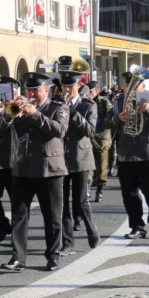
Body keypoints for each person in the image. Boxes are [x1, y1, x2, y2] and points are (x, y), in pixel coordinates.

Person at [0, 72, 69, 272]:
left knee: (52, 216)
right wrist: (8, 112)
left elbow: (59, 131)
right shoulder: (19, 108)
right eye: (28, 89)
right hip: (22, 169)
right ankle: (18, 257)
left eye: (35, 89)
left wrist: (35, 114)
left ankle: (53, 256)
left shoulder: (58, 108)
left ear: (46, 89)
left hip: (49, 170)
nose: (31, 93)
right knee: (19, 215)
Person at [58, 69, 100, 254]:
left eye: (70, 86)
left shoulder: (88, 105)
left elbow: (90, 131)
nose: (67, 89)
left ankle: (91, 229)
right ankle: (68, 243)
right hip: (60, 159)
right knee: (62, 203)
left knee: (80, 201)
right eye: (64, 86)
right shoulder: (56, 103)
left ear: (78, 86)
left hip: (81, 158)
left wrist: (72, 112)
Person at [0, 76, 21, 245]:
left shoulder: (19, 107)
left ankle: (17, 234)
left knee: (16, 202)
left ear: (15, 92)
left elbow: (15, 127)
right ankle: (3, 226)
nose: (5, 97)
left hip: (13, 162)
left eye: (8, 92)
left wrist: (3, 113)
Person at [116, 95, 149, 238]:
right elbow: (105, 124)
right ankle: (137, 226)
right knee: (129, 195)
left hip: (147, 155)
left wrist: (148, 109)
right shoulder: (119, 102)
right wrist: (118, 118)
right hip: (126, 154)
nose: (130, 86)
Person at [89, 81, 113, 202]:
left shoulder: (104, 102)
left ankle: (99, 190)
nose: (89, 94)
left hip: (102, 137)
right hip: (89, 136)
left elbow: (109, 120)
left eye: (91, 92)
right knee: (88, 165)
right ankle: (87, 189)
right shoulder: (86, 103)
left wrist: (98, 132)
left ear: (97, 92)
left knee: (102, 165)